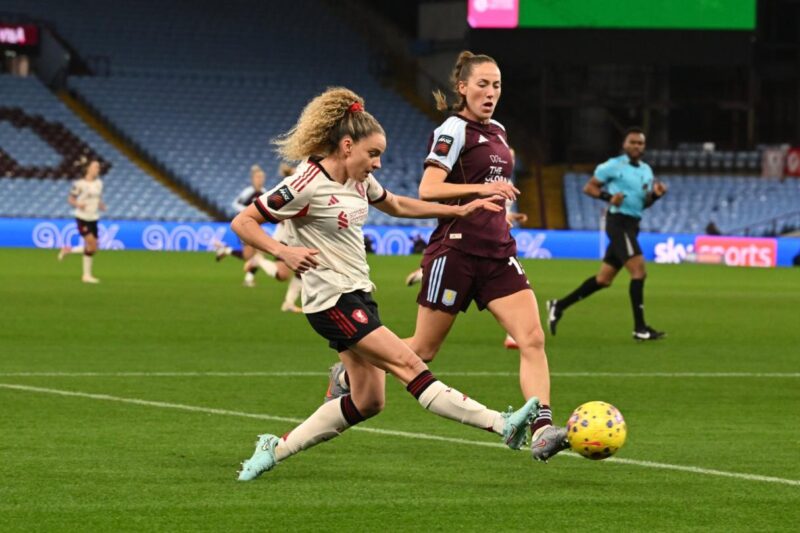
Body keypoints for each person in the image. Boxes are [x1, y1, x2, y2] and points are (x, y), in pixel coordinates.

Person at [231, 87, 539, 481]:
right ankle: (502, 424)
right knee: (410, 363)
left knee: (369, 401)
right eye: (372, 154)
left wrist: (458, 209)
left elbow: (396, 204)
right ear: (346, 146)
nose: (377, 164)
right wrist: (283, 252)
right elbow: (243, 222)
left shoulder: (358, 182)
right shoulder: (306, 183)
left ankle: (274, 449)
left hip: (358, 293)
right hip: (331, 302)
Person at [327, 51, 569, 462]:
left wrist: (504, 213)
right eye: (482, 84)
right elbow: (429, 189)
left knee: (532, 338)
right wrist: (483, 193)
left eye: (496, 85)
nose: (490, 92)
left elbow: (487, 184)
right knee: (421, 350)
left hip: (496, 252)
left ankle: (543, 428)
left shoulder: (499, 131)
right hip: (455, 251)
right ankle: (350, 369)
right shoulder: (453, 129)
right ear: (462, 88)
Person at [546, 127, 668, 341]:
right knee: (639, 271)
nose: (637, 146)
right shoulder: (613, 165)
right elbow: (589, 187)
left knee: (604, 279)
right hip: (618, 222)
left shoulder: (647, 171)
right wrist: (608, 197)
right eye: (633, 142)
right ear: (625, 144)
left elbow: (643, 203)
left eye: (640, 143)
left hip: (632, 224)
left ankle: (559, 305)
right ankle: (640, 328)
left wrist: (655, 197)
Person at [215, 165, 280, 287]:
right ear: (253, 178)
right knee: (248, 256)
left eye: (262, 177)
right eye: (257, 177)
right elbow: (235, 203)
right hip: (245, 225)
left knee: (259, 253)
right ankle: (227, 251)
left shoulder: (264, 192)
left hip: (256, 226)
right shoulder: (248, 192)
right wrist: (249, 210)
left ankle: (248, 278)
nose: (260, 179)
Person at [58, 158, 106, 283]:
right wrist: (78, 204)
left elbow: (98, 197)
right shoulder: (79, 184)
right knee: (91, 244)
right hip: (82, 218)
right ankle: (86, 276)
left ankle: (68, 250)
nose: (98, 169)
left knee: (94, 248)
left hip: (94, 218)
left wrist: (101, 205)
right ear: (88, 168)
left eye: (98, 167)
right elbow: (71, 199)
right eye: (95, 167)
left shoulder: (99, 183)